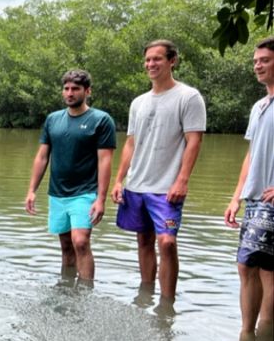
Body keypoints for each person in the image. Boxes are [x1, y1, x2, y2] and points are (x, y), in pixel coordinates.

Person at [111, 39, 207, 301]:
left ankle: (167, 306)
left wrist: (182, 180)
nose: (150, 64)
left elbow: (194, 141)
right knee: (143, 241)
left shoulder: (188, 97)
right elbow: (131, 143)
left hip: (166, 188)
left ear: (172, 61)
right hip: (136, 184)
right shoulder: (138, 102)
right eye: (147, 60)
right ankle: (145, 296)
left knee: (167, 242)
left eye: (157, 59)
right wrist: (119, 180)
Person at [25, 69, 116, 282]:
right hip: (57, 193)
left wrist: (101, 199)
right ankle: (66, 289)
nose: (69, 93)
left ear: (87, 91)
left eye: (75, 89)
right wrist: (31, 190)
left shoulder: (101, 120)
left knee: (81, 241)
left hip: (85, 192)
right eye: (66, 88)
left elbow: (105, 161)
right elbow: (42, 157)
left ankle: (85, 293)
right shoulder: (52, 120)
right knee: (66, 245)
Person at [224, 37, 274, 341]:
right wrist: (235, 196)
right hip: (255, 198)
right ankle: (258, 333)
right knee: (262, 267)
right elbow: (251, 154)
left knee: (249, 264)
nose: (258, 65)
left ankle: (251, 336)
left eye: (265, 60)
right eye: (256, 61)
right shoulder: (259, 106)